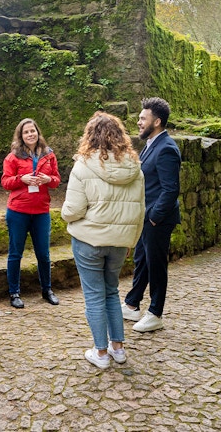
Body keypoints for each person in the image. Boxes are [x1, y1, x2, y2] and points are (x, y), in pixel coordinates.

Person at [61, 112, 145, 369]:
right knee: (111, 292)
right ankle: (117, 348)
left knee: (94, 296)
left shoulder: (83, 165)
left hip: (89, 240)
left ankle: (100, 353)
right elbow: (140, 209)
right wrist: (132, 239)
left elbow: (73, 209)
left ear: (90, 136)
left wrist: (66, 216)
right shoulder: (135, 168)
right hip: (119, 242)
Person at [122, 97, 181, 333]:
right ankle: (132, 304)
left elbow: (170, 189)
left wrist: (154, 217)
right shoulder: (150, 144)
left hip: (158, 218)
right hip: (146, 217)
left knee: (156, 265)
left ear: (156, 121)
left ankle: (156, 312)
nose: (138, 122)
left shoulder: (167, 148)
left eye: (142, 119)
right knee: (141, 260)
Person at [1, 118, 61, 308]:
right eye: (26, 132)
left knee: (43, 254)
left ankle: (47, 289)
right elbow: (5, 182)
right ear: (21, 136)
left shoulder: (49, 155)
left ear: (38, 132)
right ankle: (14, 293)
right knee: (15, 253)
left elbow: (57, 180)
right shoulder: (12, 157)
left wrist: (47, 179)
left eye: (32, 131)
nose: (30, 135)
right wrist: (22, 179)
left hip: (41, 211)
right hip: (18, 211)